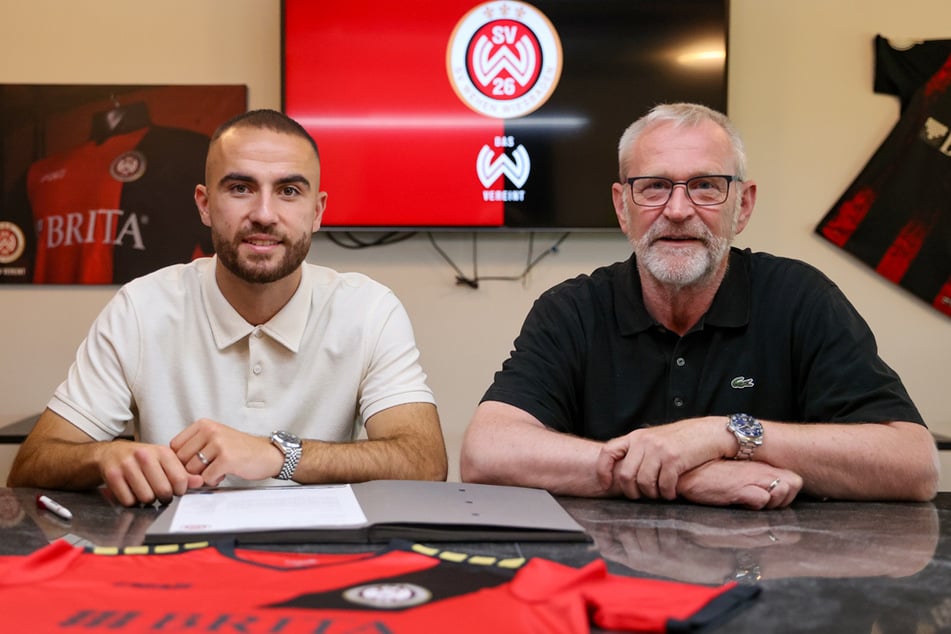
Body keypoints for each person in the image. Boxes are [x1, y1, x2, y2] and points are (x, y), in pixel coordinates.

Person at [460, 102, 939, 509]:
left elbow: (914, 465)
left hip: (768, 592)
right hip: (606, 590)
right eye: (654, 186)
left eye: (706, 185)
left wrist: (725, 435)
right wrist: (683, 478)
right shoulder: (572, 310)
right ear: (622, 206)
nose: (677, 210)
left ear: (743, 206)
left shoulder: (801, 299)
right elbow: (486, 453)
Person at [7, 109, 447, 506]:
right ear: (204, 204)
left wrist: (277, 455)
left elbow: (424, 462)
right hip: (175, 566)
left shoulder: (368, 310)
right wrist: (103, 456)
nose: (264, 213)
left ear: (318, 211)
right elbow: (31, 465)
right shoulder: (141, 308)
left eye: (289, 190)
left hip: (322, 560)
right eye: (240, 188)